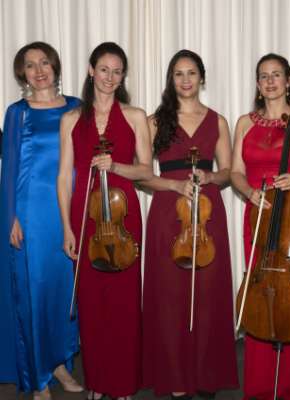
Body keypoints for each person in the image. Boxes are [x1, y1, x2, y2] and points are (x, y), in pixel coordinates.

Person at [141, 49, 239, 399]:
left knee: (209, 296)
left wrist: (210, 176)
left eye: (192, 73)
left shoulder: (218, 121)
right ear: (171, 79)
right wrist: (173, 185)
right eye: (179, 74)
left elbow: (229, 172)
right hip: (169, 212)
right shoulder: (154, 122)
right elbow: (142, 175)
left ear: (202, 78)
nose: (185, 80)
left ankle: (205, 375)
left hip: (207, 213)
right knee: (170, 296)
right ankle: (175, 377)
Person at [57, 42, 152, 400]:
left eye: (117, 71)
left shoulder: (135, 116)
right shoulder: (70, 119)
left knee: (124, 304)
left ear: (123, 76)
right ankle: (97, 381)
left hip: (123, 217)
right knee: (92, 304)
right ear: (90, 70)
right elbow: (63, 177)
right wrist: (67, 228)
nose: (110, 77)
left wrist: (116, 166)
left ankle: (123, 384)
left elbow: (146, 171)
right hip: (85, 214)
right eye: (104, 69)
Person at [231, 53, 290, 400]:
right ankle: (259, 387)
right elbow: (236, 172)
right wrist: (249, 192)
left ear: (288, 80)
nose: (270, 81)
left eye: (276, 75)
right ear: (258, 84)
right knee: (262, 297)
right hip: (259, 218)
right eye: (263, 76)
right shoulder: (244, 123)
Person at [0, 42, 82, 400]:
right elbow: (9, 168)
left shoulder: (77, 107)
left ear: (55, 66)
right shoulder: (17, 112)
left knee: (64, 294)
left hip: (68, 212)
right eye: (30, 65)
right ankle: (38, 377)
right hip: (31, 214)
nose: (38, 71)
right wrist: (11, 217)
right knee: (34, 294)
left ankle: (60, 364)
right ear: (23, 74)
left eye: (44, 62)